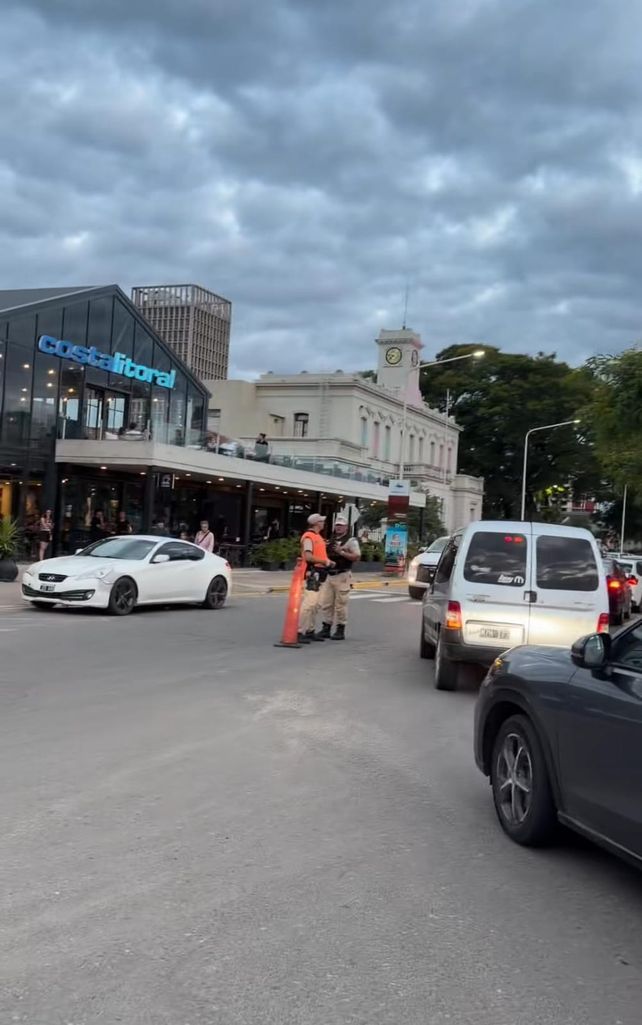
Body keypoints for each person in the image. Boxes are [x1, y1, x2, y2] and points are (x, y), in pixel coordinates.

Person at [318, 515, 361, 640]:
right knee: (326, 603)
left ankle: (340, 629)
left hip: (342, 574)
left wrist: (341, 552)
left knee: (341, 604)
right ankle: (326, 628)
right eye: (337, 525)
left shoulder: (351, 541)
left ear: (346, 527)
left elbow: (357, 556)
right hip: (329, 574)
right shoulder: (331, 539)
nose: (338, 528)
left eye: (341, 526)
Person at [298, 514, 335, 644]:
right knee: (309, 603)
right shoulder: (309, 537)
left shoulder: (317, 537)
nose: (323, 523)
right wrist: (325, 561)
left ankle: (310, 630)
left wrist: (326, 562)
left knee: (315, 605)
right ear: (316, 523)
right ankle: (299, 631)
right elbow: (308, 557)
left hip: (319, 572)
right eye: (321, 521)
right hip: (312, 572)